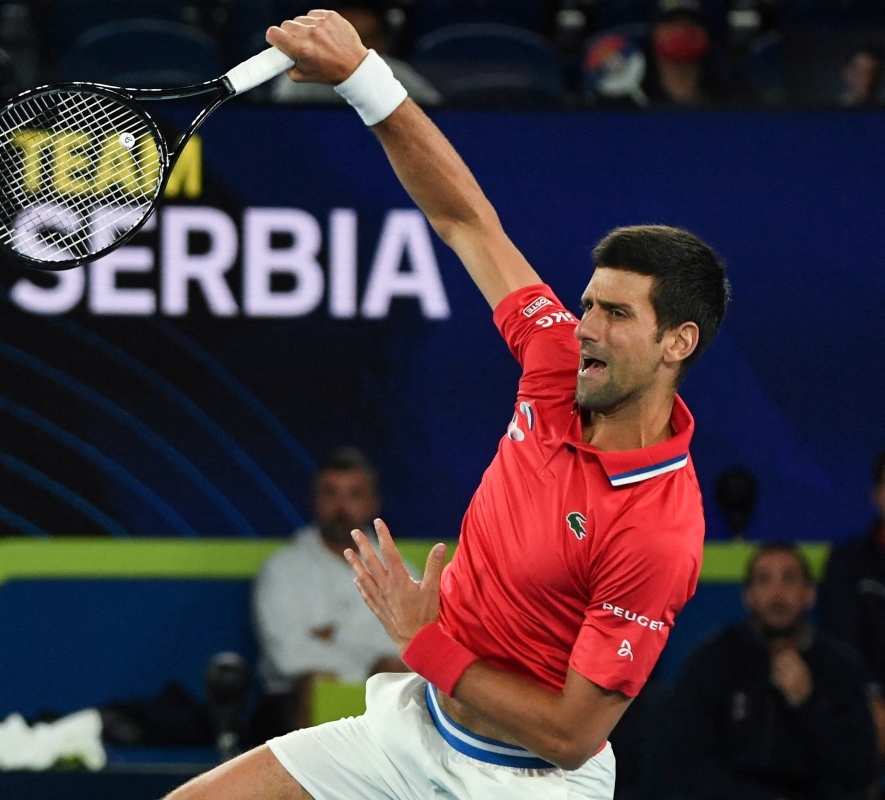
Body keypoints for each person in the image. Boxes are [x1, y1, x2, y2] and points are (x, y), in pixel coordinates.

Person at [166, 8, 731, 799]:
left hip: (526, 782)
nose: (586, 329)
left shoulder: (659, 529)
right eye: (589, 304)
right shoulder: (556, 361)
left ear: (678, 343)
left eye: (616, 315)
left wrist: (424, 640)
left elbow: (572, 736)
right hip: (409, 729)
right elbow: (465, 219)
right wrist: (365, 78)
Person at [665, 541, 879, 800]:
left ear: (809, 594)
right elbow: (687, 766)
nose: (777, 594)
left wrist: (809, 704)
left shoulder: (841, 667)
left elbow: (860, 772)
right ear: (749, 596)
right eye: (764, 581)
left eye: (789, 580)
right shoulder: (713, 661)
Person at [246, 446, 412, 747]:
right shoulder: (283, 568)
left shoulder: (399, 571)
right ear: (315, 500)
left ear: (374, 504)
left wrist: (335, 634)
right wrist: (366, 658)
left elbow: (410, 648)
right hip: (291, 703)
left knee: (393, 674)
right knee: (315, 681)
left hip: (381, 693)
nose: (341, 506)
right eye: (330, 493)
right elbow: (287, 657)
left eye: (354, 494)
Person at [820, 449, 885, 760]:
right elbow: (844, 645)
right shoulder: (848, 563)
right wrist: (870, 698)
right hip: (862, 708)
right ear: (877, 494)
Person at [269, 1, 441, 107]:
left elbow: (434, 119)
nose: (352, 47)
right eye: (345, 37)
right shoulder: (301, 80)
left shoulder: (401, 78)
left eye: (365, 39)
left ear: (382, 42)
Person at [841, 42, 883, 109]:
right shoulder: (828, 112)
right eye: (860, 71)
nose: (866, 78)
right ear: (848, 73)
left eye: (872, 72)